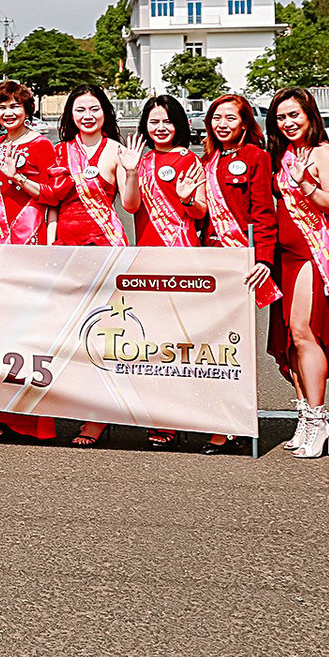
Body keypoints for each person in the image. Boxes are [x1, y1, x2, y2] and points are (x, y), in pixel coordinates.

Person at [44, 84, 136, 448]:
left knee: (101, 332)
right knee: (68, 334)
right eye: (80, 109)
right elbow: (52, 202)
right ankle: (79, 403)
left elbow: (129, 206)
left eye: (94, 109)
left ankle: (97, 418)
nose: (87, 116)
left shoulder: (116, 150)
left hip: (103, 247)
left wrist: (129, 172)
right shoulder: (59, 151)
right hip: (66, 246)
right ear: (70, 116)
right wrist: (51, 242)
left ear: (105, 113)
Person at [0, 81, 61, 442]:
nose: (7, 113)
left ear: (28, 109)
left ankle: (33, 420)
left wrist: (18, 178)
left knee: (30, 330)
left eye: (15, 106)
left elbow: (53, 193)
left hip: (27, 243)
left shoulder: (40, 145)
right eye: (1, 107)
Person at [266, 88, 329, 459]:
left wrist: (307, 184)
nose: (288, 123)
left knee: (303, 331)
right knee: (289, 337)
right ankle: (303, 417)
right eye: (281, 117)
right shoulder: (280, 155)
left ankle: (319, 420)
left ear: (309, 114)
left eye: (294, 115)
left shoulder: (324, 154)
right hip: (284, 254)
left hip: (312, 252)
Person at [122, 94, 207, 450]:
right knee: (154, 342)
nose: (161, 128)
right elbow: (130, 206)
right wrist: (129, 171)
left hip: (183, 256)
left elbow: (201, 212)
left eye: (168, 121)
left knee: (186, 342)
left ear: (180, 125)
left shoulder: (191, 160)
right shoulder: (139, 163)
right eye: (154, 121)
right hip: (149, 258)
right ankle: (161, 419)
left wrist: (187, 197)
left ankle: (190, 413)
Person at [199, 94, 281, 454]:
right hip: (211, 259)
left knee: (235, 346)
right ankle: (216, 417)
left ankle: (232, 423)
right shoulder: (207, 160)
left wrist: (263, 259)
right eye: (216, 118)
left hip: (240, 261)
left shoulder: (255, 158)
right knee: (211, 346)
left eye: (230, 118)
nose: (222, 124)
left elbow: (264, 213)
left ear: (245, 122)